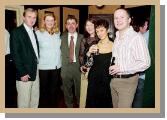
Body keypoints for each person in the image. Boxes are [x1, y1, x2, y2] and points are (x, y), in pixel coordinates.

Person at [109, 8, 151, 108]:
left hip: (127, 82)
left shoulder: (136, 38)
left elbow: (145, 63)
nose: (118, 20)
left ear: (129, 20)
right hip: (114, 80)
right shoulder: (117, 37)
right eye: (116, 18)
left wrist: (121, 67)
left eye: (122, 17)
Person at [10, 8, 39, 108]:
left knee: (35, 98)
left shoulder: (33, 31)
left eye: (34, 17)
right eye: (29, 17)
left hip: (35, 69)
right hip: (24, 73)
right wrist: (22, 72)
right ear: (23, 17)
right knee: (24, 102)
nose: (32, 20)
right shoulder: (16, 32)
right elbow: (15, 54)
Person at [86, 19, 113, 108]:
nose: (99, 33)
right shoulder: (94, 45)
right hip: (94, 79)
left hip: (106, 80)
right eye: (97, 31)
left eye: (102, 30)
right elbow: (88, 64)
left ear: (108, 30)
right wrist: (89, 53)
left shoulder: (115, 45)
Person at [36, 13, 61, 108]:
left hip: (56, 66)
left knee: (54, 90)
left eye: (52, 20)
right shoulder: (38, 33)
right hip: (43, 67)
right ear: (44, 22)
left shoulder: (58, 33)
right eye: (47, 20)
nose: (50, 22)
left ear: (54, 21)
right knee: (44, 91)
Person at [61, 15, 83, 108]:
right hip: (65, 67)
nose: (71, 26)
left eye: (73, 23)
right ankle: (69, 106)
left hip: (78, 67)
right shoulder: (61, 37)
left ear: (77, 25)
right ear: (66, 26)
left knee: (79, 88)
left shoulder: (82, 37)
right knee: (66, 89)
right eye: (68, 24)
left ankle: (80, 104)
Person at [79, 18, 99, 108]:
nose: (89, 27)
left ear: (95, 26)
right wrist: (82, 66)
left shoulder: (101, 38)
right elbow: (81, 55)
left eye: (91, 25)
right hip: (87, 69)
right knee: (85, 92)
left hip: (98, 70)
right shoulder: (84, 40)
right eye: (87, 25)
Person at [132, 18, 150, 108]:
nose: (147, 27)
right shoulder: (142, 36)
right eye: (145, 25)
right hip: (139, 75)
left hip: (140, 75)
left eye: (147, 25)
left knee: (137, 98)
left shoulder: (144, 36)